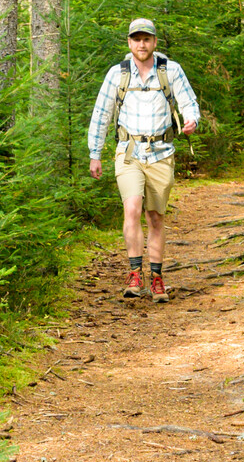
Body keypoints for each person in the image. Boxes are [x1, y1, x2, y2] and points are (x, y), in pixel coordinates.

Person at [86, 18, 201, 302]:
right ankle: (135, 274)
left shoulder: (170, 71)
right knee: (132, 209)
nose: (141, 44)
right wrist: (95, 153)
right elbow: (101, 113)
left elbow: (189, 102)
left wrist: (191, 120)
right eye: (136, 39)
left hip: (161, 152)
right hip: (128, 152)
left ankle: (157, 278)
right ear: (129, 42)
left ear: (154, 42)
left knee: (156, 217)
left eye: (146, 39)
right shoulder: (117, 74)